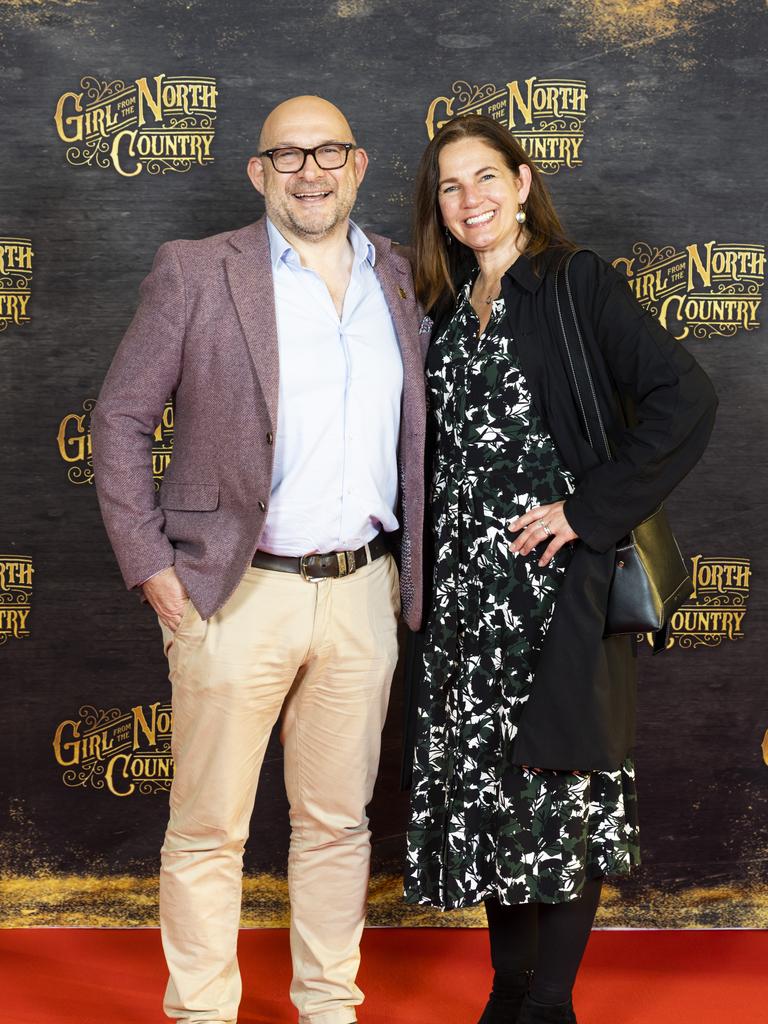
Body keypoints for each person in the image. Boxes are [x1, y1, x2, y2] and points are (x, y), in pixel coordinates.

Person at [91, 95, 427, 1024]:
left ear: (358, 166)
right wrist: (152, 566)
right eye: (287, 155)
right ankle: (202, 1013)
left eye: (328, 154)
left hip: (362, 591)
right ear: (257, 171)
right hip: (234, 593)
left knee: (336, 826)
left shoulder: (397, 276)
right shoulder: (197, 272)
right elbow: (119, 420)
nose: (308, 171)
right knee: (207, 832)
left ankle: (329, 1006)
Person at [403, 114, 717, 1024]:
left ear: (524, 181)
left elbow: (685, 397)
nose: (471, 201)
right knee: (501, 790)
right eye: (451, 188)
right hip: (466, 599)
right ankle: (507, 995)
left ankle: (550, 1005)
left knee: (564, 790)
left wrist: (587, 512)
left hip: (554, 590)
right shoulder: (449, 308)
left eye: (485, 178)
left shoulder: (576, 282)